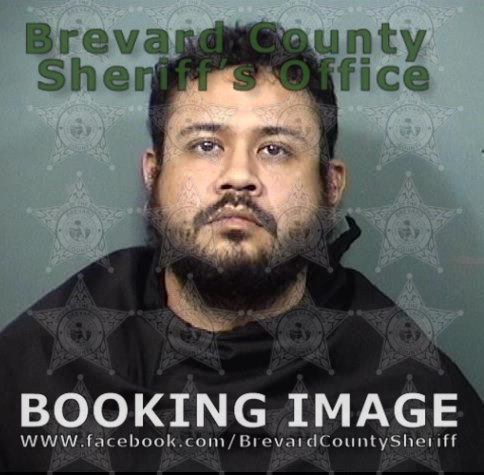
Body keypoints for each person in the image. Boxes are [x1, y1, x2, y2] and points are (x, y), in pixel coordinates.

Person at [0, 22, 483, 472]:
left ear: (331, 186)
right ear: (153, 173)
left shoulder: (411, 391)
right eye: (206, 145)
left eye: (275, 149)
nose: (238, 176)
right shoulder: (44, 357)